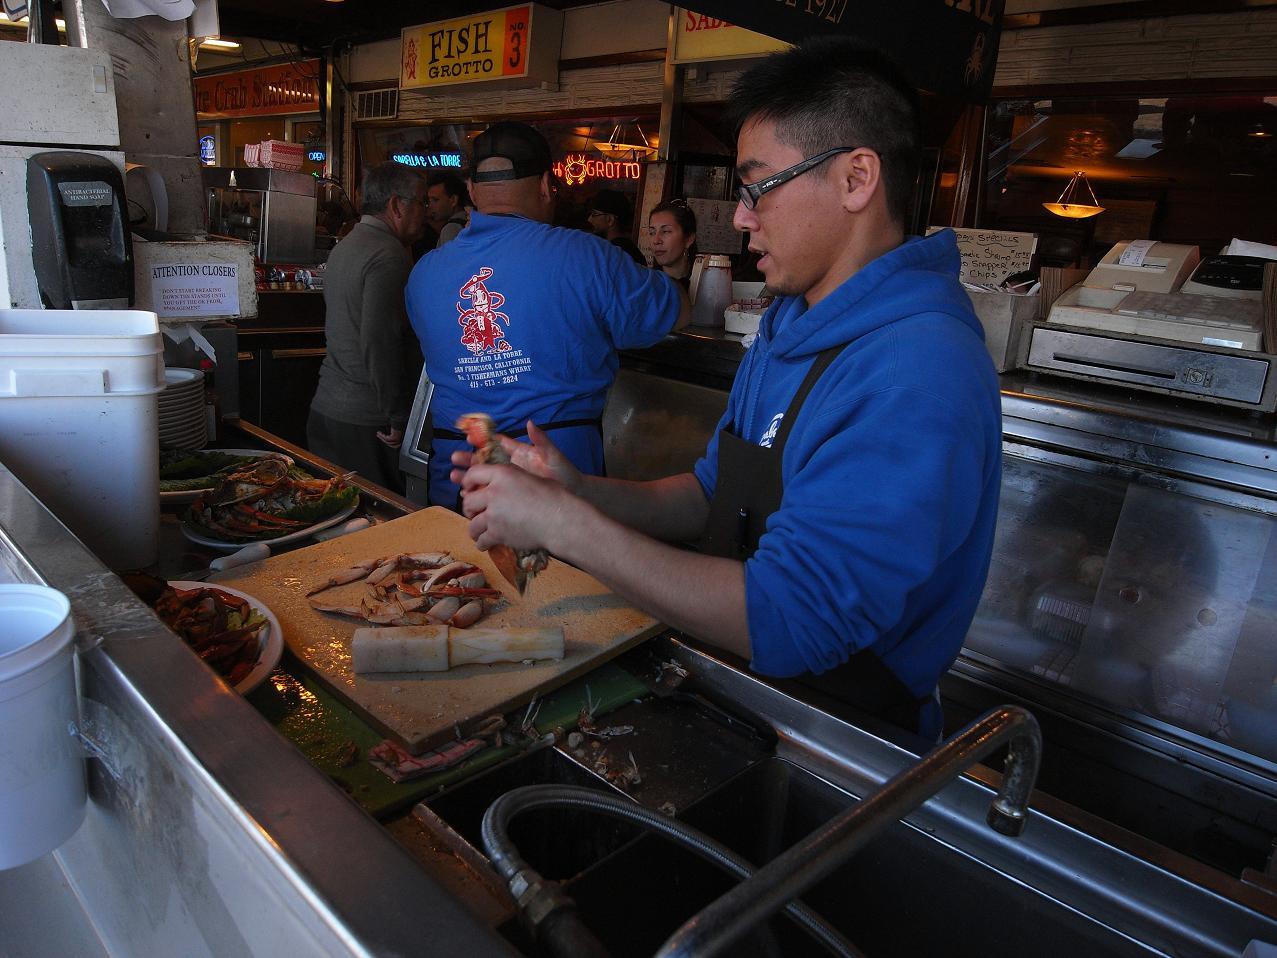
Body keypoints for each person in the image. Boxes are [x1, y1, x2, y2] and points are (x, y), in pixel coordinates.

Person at [451, 40, 1003, 741]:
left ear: (856, 178)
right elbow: (709, 495)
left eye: (758, 186)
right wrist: (578, 492)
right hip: (732, 692)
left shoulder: (916, 368)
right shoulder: (790, 322)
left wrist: (564, 528)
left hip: (834, 742)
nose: (741, 217)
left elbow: (795, 619)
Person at [405, 121, 690, 509]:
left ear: (471, 190)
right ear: (545, 185)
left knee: (456, 551)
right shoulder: (585, 256)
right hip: (556, 482)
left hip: (457, 482)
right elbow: (677, 312)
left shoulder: (423, 273)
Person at [307, 161, 427, 494]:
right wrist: (397, 414)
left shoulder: (347, 245)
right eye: (422, 202)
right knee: (379, 515)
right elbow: (380, 341)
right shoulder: (388, 255)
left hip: (327, 408)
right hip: (366, 423)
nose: (426, 212)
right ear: (396, 205)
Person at [647, 198, 698, 289]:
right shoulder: (647, 285)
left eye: (666, 231)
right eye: (652, 232)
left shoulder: (705, 284)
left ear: (689, 239)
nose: (656, 241)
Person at [587, 188, 646, 265]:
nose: (589, 219)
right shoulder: (630, 249)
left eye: (594, 214)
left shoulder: (613, 253)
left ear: (610, 220)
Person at [426, 171, 472, 247]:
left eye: (435, 200)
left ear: (453, 200)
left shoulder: (451, 228)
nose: (430, 206)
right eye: (429, 201)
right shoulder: (471, 221)